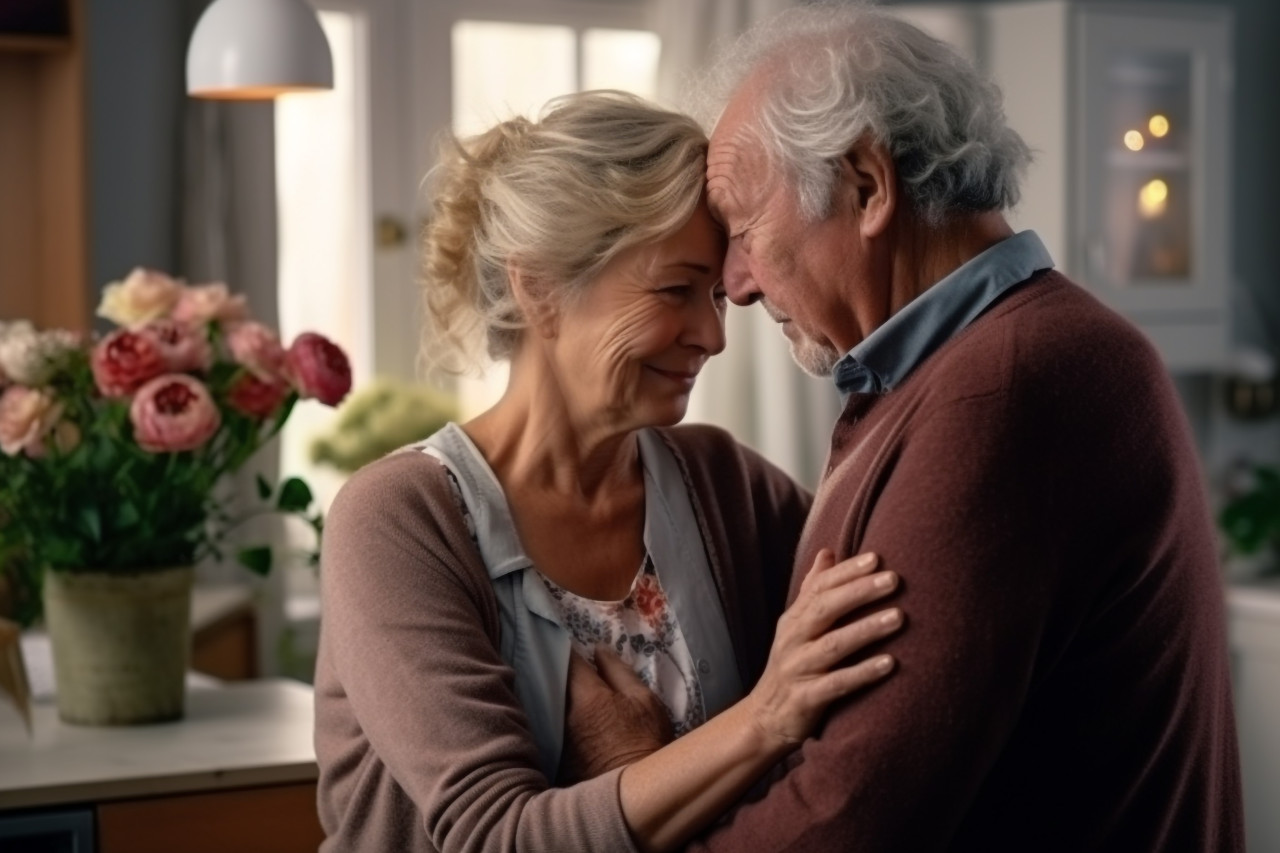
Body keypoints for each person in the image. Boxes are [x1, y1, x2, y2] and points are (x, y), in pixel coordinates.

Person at [565, 4, 1245, 851]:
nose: (733, 287)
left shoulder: (1005, 387)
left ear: (867, 185)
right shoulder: (989, 362)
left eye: (742, 231)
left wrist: (632, 778)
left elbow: (845, 820)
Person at [312, 90, 910, 853]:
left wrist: (642, 761)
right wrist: (764, 717)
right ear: (539, 287)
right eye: (674, 290)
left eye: (719, 296)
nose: (712, 335)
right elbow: (496, 835)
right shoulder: (401, 520)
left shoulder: (724, 485)